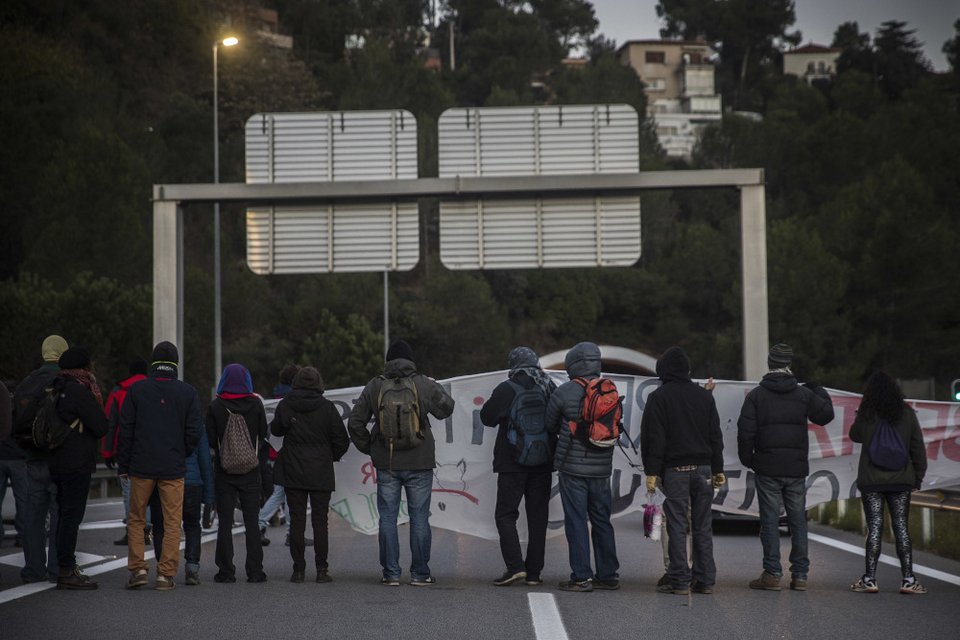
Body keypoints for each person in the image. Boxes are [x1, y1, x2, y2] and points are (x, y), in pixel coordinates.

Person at [348, 339, 455, 586]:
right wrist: (433, 387)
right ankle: (420, 574)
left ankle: (391, 574)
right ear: (411, 360)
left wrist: (373, 448)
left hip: (388, 463)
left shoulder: (375, 386)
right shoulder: (423, 383)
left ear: (387, 361)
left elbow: (355, 423)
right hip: (420, 462)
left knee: (387, 518)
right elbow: (447, 409)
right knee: (419, 518)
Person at [737, 343, 834, 592]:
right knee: (797, 521)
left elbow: (745, 432)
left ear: (769, 364)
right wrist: (817, 387)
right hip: (795, 468)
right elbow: (825, 415)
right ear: (789, 365)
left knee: (769, 520)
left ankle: (772, 573)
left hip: (767, 466)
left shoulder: (757, 395)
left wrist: (749, 459)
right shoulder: (802, 395)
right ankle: (800, 575)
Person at [118, 341, 202, 591]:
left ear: (153, 362)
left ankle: (138, 569)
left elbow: (126, 430)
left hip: (141, 465)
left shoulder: (137, 390)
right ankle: (165, 574)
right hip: (173, 467)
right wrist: (181, 451)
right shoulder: (188, 392)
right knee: (172, 520)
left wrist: (124, 463)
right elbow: (194, 431)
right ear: (175, 363)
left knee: (136, 519)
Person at [640, 347, 724, 595]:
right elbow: (715, 437)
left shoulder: (659, 398)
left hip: (674, 470)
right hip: (705, 472)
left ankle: (678, 580)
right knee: (702, 526)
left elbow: (653, 439)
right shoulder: (704, 397)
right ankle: (705, 580)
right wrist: (718, 469)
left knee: (676, 526)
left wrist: (652, 472)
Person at [544, 341, 619, 593]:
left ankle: (581, 576)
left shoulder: (564, 392)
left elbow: (550, 425)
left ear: (571, 364)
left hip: (573, 469)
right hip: (602, 469)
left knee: (576, 520)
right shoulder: (610, 390)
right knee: (602, 520)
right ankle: (608, 575)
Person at [480, 346, 557, 587]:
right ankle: (534, 572)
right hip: (543, 463)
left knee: (505, 515)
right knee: (537, 517)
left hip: (511, 462)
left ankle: (515, 567)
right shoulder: (549, 387)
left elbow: (487, 418)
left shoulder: (507, 388)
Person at [849, 371, 928, 594]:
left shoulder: (867, 414)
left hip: (872, 480)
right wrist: (917, 476)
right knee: (901, 526)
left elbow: (855, 435)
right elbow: (917, 448)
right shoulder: (907, 413)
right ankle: (908, 579)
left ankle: (870, 579)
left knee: (875, 527)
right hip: (901, 480)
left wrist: (860, 415)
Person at [271, 366, 350, 583]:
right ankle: (322, 569)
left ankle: (298, 570)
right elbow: (341, 439)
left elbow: (276, 430)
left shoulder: (286, 404)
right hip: (320, 471)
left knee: (296, 520)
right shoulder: (327, 407)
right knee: (319, 521)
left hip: (293, 469)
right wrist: (330, 456)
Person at [46, 347, 109, 589]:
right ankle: (66, 569)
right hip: (76, 462)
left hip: (55, 460)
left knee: (62, 515)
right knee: (72, 517)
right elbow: (100, 425)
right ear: (83, 368)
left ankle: (63, 566)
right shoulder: (79, 391)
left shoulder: (55, 386)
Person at [207, 362, 269, 583]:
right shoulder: (256, 404)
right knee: (252, 521)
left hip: (225, 472)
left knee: (225, 521)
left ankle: (226, 571)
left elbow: (209, 439)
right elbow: (263, 435)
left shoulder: (216, 406)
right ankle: (255, 571)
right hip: (251, 472)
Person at [12, 334, 66, 584]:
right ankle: (56, 569)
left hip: (32, 455)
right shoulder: (64, 381)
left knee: (33, 515)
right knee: (59, 513)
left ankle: (33, 569)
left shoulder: (27, 382)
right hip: (58, 456)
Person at [148, 425, 215, 586]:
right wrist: (209, 495)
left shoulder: (162, 421)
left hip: (164, 479)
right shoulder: (197, 426)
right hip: (192, 484)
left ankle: (163, 568)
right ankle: (192, 568)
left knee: (161, 525)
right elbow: (205, 460)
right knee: (192, 525)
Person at [101, 357, 149, 547]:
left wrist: (107, 452)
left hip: (125, 449)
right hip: (150, 448)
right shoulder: (152, 388)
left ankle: (132, 531)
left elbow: (110, 423)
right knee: (151, 492)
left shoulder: (119, 391)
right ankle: (148, 529)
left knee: (129, 492)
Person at [257, 363, 300, 547]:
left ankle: (260, 524)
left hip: (272, 452)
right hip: (290, 451)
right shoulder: (295, 398)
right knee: (288, 492)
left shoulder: (275, 398)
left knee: (280, 492)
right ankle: (290, 531)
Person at [1, 379, 27, 552]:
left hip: (0, 455)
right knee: (24, 500)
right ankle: (23, 536)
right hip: (19, 457)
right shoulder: (22, 406)